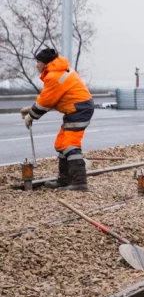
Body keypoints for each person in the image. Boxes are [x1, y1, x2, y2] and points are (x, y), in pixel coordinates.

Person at [20, 48, 94, 191]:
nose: (36, 65)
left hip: (79, 109)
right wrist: (32, 109)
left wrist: (31, 115)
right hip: (77, 108)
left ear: (46, 63)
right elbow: (51, 99)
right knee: (61, 144)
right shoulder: (58, 71)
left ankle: (79, 183)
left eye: (38, 62)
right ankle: (64, 180)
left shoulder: (54, 76)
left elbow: (46, 102)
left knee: (69, 144)